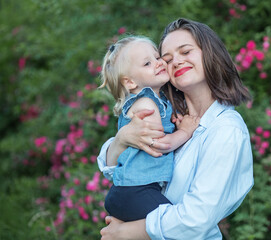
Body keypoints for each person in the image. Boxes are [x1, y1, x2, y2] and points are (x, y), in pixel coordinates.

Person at [98, 18, 254, 240]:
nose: (176, 62)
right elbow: (119, 169)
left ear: (210, 53)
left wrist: (125, 233)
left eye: (186, 51)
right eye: (167, 59)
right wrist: (121, 140)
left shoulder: (226, 129)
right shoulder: (168, 116)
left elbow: (196, 220)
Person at [98, 36, 200, 222]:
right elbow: (159, 144)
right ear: (130, 83)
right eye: (147, 63)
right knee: (175, 226)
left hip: (132, 190)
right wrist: (185, 131)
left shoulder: (156, 102)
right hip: (136, 190)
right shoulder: (146, 103)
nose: (158, 63)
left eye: (156, 57)